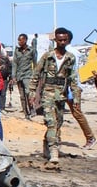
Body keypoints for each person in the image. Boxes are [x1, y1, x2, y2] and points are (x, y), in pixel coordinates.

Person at [28, 27, 80, 166]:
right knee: (51, 122)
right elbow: (36, 74)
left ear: (68, 40)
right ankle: (54, 151)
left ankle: (47, 145)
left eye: (64, 40)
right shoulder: (47, 56)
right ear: (55, 40)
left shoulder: (70, 58)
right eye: (59, 40)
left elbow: (73, 79)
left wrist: (76, 98)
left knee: (58, 123)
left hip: (61, 94)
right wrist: (32, 93)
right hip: (48, 94)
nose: (62, 42)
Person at [12, 33, 36, 118]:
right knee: (22, 96)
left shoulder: (31, 50)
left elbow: (35, 63)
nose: (19, 42)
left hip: (28, 75)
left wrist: (35, 75)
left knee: (28, 92)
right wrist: (13, 76)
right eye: (18, 40)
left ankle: (32, 109)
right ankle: (26, 113)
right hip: (19, 75)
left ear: (25, 40)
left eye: (20, 40)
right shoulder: (17, 51)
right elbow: (14, 64)